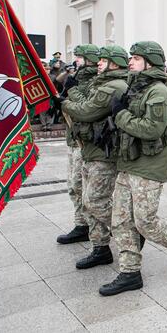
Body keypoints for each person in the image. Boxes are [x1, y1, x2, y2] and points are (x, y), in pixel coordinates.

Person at [100, 42, 167, 296]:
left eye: (136, 58)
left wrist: (120, 115)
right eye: (131, 58)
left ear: (150, 62)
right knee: (121, 219)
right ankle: (130, 272)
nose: (130, 62)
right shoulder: (136, 87)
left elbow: (151, 129)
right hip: (128, 162)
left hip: (148, 164)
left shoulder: (158, 91)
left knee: (145, 221)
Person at [61, 46, 129, 269]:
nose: (99, 63)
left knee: (94, 201)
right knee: (89, 201)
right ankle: (100, 248)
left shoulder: (114, 85)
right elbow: (84, 101)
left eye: (104, 60)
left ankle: (130, 232)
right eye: (98, 60)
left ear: (115, 63)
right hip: (92, 148)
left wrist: (65, 101)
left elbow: (86, 110)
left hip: (103, 151)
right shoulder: (101, 82)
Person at [56, 44, 100, 245]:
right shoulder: (76, 77)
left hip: (85, 142)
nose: (76, 61)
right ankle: (81, 223)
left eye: (80, 58)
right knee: (73, 186)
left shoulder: (95, 80)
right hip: (73, 138)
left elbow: (85, 106)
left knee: (81, 186)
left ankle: (92, 227)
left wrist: (72, 90)